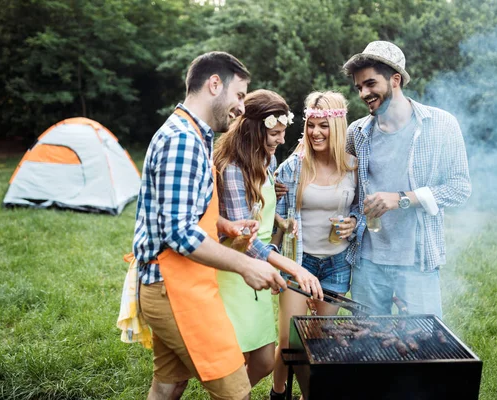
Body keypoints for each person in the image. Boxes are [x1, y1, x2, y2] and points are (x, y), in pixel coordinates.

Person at [132, 51, 287, 400]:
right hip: (175, 289)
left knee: (168, 386)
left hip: (176, 283)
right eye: (239, 95)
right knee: (236, 392)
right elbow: (178, 232)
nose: (241, 107)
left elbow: (177, 210)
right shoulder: (182, 140)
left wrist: (223, 224)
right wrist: (246, 264)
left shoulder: (193, 134)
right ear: (214, 84)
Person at [342, 41, 472, 318]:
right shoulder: (357, 133)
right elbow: (348, 191)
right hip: (367, 261)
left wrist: (402, 198)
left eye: (370, 83)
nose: (364, 93)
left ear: (395, 79)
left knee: (423, 348)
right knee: (369, 346)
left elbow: (460, 188)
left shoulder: (441, 125)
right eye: (359, 87)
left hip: (418, 260)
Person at [213, 89, 324, 389]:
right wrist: (292, 267)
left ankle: (233, 395)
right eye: (274, 133)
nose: (280, 140)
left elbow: (259, 217)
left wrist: (281, 224)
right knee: (235, 360)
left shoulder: (267, 160)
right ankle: (233, 395)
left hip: (262, 267)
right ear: (253, 130)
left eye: (282, 132)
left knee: (263, 361)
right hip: (237, 268)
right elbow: (245, 239)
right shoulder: (233, 168)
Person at [270, 91, 358, 399]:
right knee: (287, 340)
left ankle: (310, 394)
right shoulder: (294, 167)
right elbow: (276, 217)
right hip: (299, 262)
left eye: (323, 126)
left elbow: (361, 208)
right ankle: (279, 393)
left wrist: (355, 222)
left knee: (317, 342)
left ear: (337, 129)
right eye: (311, 125)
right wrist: (274, 261)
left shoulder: (354, 167)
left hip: (336, 265)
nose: (315, 133)